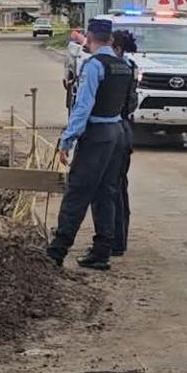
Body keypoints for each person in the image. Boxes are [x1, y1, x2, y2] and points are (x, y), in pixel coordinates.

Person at [46, 17, 132, 271]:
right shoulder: (124, 64)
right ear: (111, 39)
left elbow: (83, 107)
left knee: (78, 192)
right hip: (117, 133)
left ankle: (56, 252)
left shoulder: (94, 66)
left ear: (89, 37)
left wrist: (68, 139)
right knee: (107, 192)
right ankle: (102, 251)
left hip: (97, 134)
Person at [109, 30, 140, 258]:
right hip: (125, 131)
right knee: (120, 187)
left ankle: (115, 240)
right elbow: (133, 102)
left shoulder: (117, 69)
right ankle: (119, 239)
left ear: (118, 48)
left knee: (112, 188)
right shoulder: (130, 67)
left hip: (115, 131)